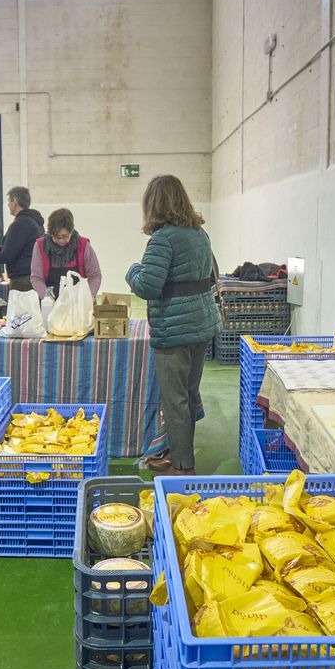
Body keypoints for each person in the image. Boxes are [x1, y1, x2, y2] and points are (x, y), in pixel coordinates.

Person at [125, 175, 219, 475]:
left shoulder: (162, 239)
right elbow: (211, 275)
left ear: (153, 204)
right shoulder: (199, 233)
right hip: (201, 325)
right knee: (188, 396)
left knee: (175, 401)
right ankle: (179, 455)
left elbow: (147, 286)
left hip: (174, 331)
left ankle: (183, 467)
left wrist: (132, 271)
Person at [30, 208, 102, 299]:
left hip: (77, 302)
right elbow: (37, 278)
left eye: (65, 236)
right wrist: (47, 298)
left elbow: (95, 275)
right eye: (57, 237)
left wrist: (88, 297)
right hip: (49, 302)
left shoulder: (83, 246)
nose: (61, 240)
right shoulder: (40, 246)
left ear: (71, 231)